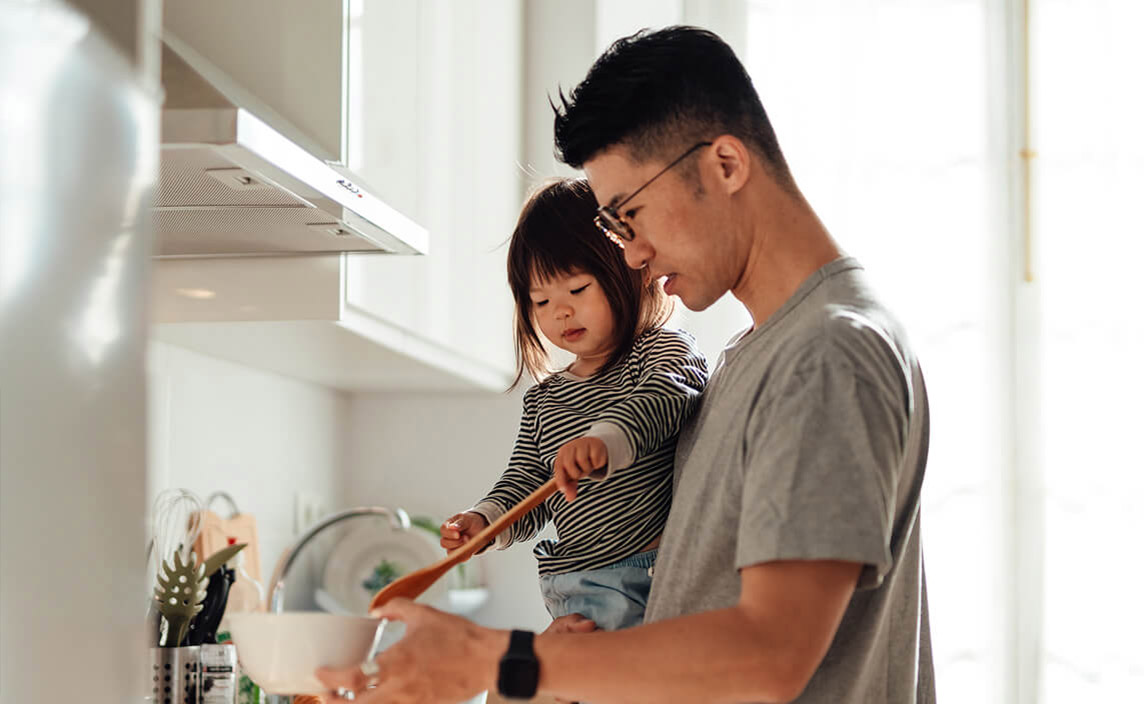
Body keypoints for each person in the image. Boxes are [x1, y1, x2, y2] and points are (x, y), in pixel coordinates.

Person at [319, 26, 933, 704]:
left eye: (629, 214)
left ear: (726, 165)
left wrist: (501, 661)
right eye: (615, 227)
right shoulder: (756, 357)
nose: (632, 254)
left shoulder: (825, 354)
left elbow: (769, 655)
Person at [437, 177, 708, 634]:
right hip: (570, 585)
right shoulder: (544, 399)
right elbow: (526, 481)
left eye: (577, 290)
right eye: (540, 301)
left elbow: (669, 393)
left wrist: (606, 440)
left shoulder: (658, 352)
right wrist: (486, 522)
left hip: (645, 576)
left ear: (628, 270)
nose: (559, 312)